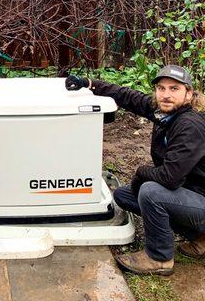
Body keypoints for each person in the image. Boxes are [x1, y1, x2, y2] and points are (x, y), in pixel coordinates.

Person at [65, 65, 205, 276]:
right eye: (161, 88)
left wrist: (141, 172)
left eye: (174, 88)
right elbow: (127, 96)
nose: (166, 95)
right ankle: (200, 238)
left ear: (188, 93)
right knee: (125, 195)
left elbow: (169, 178)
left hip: (200, 198)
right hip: (191, 192)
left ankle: (160, 258)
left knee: (150, 192)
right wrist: (89, 84)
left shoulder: (189, 125)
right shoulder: (164, 112)